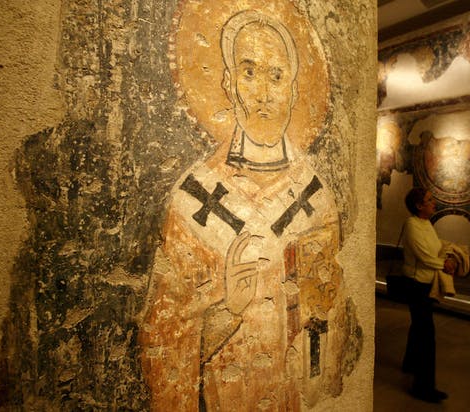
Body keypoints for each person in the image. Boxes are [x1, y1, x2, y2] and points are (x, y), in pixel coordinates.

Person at [138, 9, 361, 411]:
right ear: (228, 83)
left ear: (294, 91)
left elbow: (333, 321)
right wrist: (228, 310)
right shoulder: (192, 200)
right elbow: (163, 339)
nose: (263, 93)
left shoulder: (316, 198)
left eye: (277, 76)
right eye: (249, 72)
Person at [400, 187, 456, 403]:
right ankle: (422, 387)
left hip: (425, 283)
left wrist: (447, 250)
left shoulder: (426, 224)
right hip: (416, 284)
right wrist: (445, 264)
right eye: (429, 200)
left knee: (419, 327)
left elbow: (434, 246)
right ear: (418, 206)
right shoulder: (412, 225)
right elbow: (424, 256)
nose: (434, 203)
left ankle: (410, 364)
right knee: (426, 336)